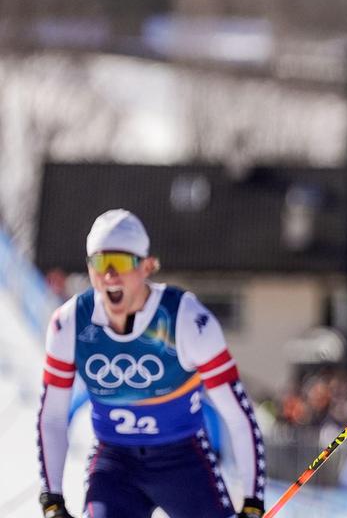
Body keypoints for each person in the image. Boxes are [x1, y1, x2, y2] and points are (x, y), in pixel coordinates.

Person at [37, 209, 266, 518]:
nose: (110, 275)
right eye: (101, 263)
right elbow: (52, 416)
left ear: (146, 267)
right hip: (115, 461)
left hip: (183, 459)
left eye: (121, 263)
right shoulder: (69, 323)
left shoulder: (184, 319)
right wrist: (53, 500)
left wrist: (252, 503)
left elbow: (239, 416)